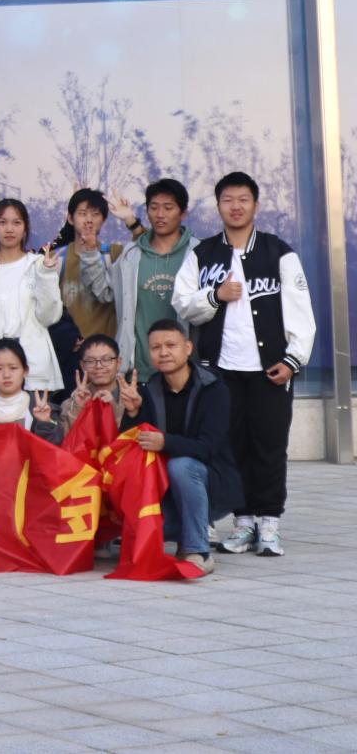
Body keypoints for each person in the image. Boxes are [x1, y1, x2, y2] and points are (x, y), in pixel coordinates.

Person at [173, 171, 314, 558]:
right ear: (218, 205)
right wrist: (214, 295)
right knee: (230, 447)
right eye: (227, 200)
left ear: (256, 204)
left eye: (243, 199)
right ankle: (243, 522)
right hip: (220, 371)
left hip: (270, 370)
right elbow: (182, 303)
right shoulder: (203, 254)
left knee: (269, 445)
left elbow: (301, 312)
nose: (235, 206)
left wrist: (293, 359)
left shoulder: (278, 252)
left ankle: (269, 523)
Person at [134, 318, 241, 574]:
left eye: (171, 345)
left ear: (188, 348)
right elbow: (137, 444)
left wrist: (166, 442)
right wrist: (132, 412)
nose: (163, 352)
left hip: (212, 483)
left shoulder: (213, 388)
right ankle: (181, 535)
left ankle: (198, 550)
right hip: (167, 488)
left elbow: (208, 448)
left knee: (182, 466)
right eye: (156, 347)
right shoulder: (149, 389)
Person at [0, 199, 62, 404]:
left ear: (25, 228)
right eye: (2, 222)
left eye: (16, 223)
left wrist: (47, 275)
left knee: (35, 423)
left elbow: (49, 317)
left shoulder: (38, 265)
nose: (9, 229)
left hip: (34, 373)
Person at [104, 179, 198, 379]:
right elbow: (105, 292)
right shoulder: (131, 255)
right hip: (138, 372)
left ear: (183, 213)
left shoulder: (198, 253)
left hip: (185, 373)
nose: (160, 214)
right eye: (154, 207)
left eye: (168, 208)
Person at [50, 188, 122, 394]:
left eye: (95, 214)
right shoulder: (56, 258)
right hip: (70, 358)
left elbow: (149, 246)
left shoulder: (115, 254)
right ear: (70, 218)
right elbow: (47, 309)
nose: (89, 220)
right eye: (82, 213)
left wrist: (131, 221)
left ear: (104, 220)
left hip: (106, 357)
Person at [57, 333, 142, 433]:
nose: (99, 366)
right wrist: (77, 409)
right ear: (82, 365)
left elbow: (140, 435)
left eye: (106, 359)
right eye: (91, 361)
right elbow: (65, 440)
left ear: (118, 363)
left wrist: (116, 410)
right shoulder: (70, 403)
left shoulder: (135, 397)